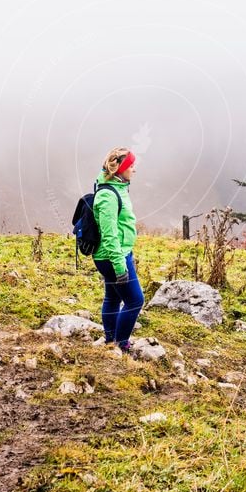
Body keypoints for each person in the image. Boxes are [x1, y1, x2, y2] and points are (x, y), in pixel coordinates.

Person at [92, 147, 144, 353]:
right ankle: (120, 344)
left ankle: (110, 341)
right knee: (135, 300)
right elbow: (109, 234)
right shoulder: (108, 195)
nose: (134, 170)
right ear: (120, 168)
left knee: (113, 298)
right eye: (131, 166)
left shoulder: (118, 187)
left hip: (119, 253)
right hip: (113, 256)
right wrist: (119, 264)